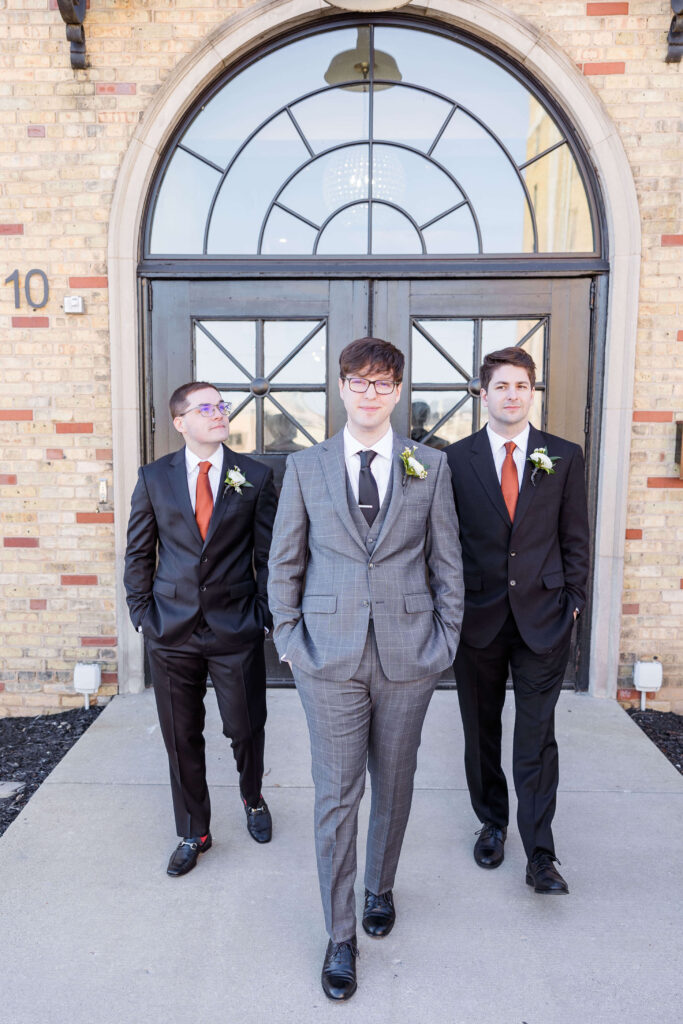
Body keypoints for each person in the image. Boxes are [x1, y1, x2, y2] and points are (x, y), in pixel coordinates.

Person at [268, 337, 464, 1000]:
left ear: (398, 391)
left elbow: (447, 564)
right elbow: (285, 564)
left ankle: (379, 887)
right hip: (327, 655)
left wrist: (444, 643)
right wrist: (291, 641)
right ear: (342, 388)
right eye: (359, 381)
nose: (370, 392)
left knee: (396, 783)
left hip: (410, 653)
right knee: (335, 794)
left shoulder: (426, 465)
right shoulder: (306, 468)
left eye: (382, 383)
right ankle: (339, 934)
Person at [445, 347, 589, 895]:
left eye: (522, 386)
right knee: (480, 731)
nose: (512, 394)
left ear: (533, 393)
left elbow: (575, 536)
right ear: (484, 394)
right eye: (501, 386)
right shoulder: (454, 460)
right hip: (477, 620)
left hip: (544, 619)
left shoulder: (564, 455)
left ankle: (541, 854)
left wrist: (573, 600)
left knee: (536, 738)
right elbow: (445, 542)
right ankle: (492, 821)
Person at [124, 381, 277, 876]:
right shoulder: (154, 477)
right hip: (170, 630)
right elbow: (139, 552)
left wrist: (264, 613)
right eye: (205, 407)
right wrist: (143, 615)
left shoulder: (253, 475)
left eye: (220, 405)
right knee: (181, 736)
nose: (217, 414)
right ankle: (195, 830)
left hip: (236, 628)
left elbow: (269, 555)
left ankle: (252, 797)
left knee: (245, 727)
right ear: (180, 422)